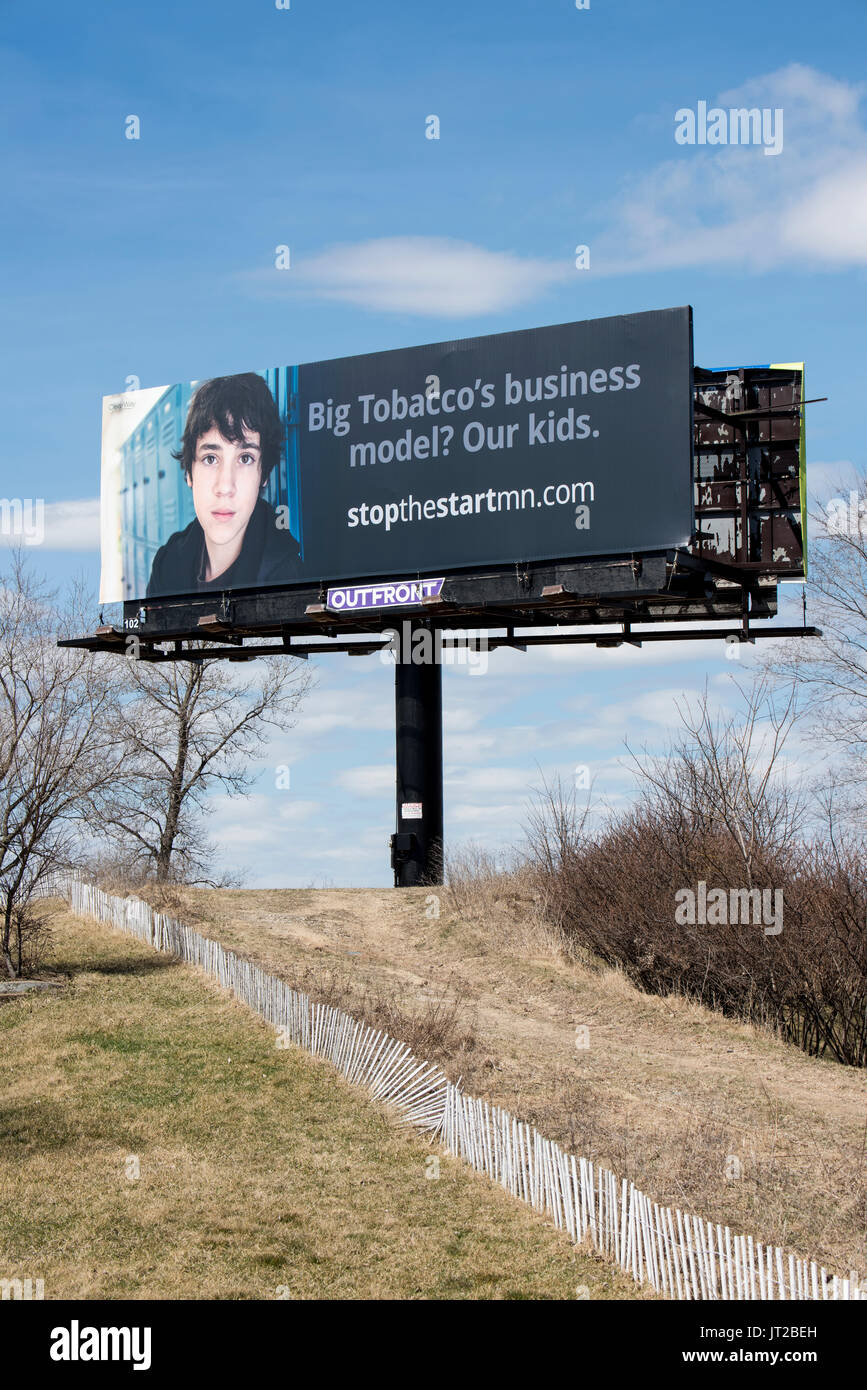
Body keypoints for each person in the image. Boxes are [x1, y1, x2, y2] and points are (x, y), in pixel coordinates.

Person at [147, 373, 302, 597]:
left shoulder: (288, 575)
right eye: (210, 458)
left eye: (245, 458)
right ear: (190, 473)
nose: (225, 486)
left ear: (264, 475)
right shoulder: (167, 563)